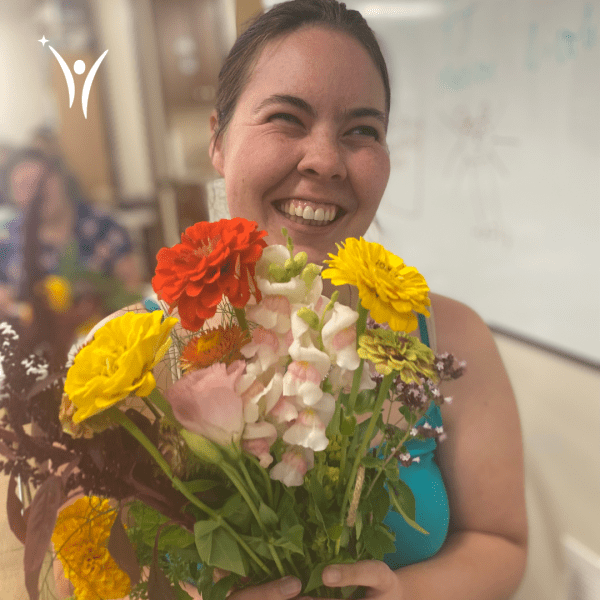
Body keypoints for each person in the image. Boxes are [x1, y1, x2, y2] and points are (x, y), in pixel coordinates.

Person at [55, 0, 527, 598]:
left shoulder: (452, 340)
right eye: (285, 118)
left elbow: (499, 541)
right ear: (218, 138)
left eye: (362, 131)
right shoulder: (121, 364)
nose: (326, 160)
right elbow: (83, 578)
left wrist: (408, 594)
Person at [0, 147, 142, 358]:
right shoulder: (7, 240)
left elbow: (132, 286)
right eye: (23, 186)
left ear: (60, 178)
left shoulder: (103, 225)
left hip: (107, 346)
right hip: (35, 357)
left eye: (41, 182)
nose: (36, 192)